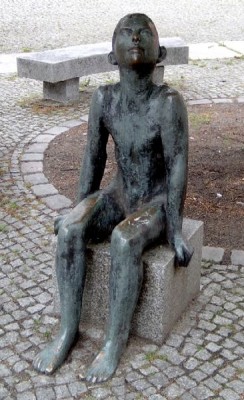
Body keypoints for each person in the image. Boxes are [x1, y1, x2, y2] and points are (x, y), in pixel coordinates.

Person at [33, 13, 193, 383]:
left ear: (160, 52)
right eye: (126, 33)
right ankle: (67, 331)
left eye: (144, 33)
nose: (135, 37)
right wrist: (80, 207)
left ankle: (113, 343)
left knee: (124, 239)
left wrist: (176, 228)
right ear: (111, 56)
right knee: (71, 229)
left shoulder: (168, 103)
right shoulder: (104, 98)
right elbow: (93, 156)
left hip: (153, 202)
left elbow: (177, 166)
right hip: (120, 194)